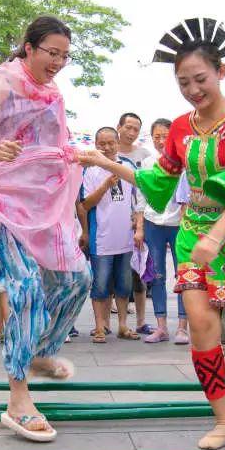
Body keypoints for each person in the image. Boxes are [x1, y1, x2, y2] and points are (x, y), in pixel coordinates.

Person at [80, 17, 225, 450]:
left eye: (200, 79)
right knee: (204, 329)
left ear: (221, 71)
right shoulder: (183, 128)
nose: (192, 90)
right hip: (193, 234)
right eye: (183, 82)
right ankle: (223, 420)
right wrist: (106, 163)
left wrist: (219, 236)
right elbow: (159, 181)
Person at [0, 15, 91, 443]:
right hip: (0, 202)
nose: (59, 62)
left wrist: (74, 154)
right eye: (52, 53)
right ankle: (18, 397)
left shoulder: (53, 95)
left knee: (78, 279)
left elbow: (52, 144)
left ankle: (40, 351)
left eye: (65, 55)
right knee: (24, 289)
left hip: (42, 204)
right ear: (28, 47)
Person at [81, 127, 143, 343]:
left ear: (117, 143)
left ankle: (123, 325)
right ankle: (100, 327)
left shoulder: (127, 167)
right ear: (96, 144)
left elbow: (138, 198)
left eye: (110, 143)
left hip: (124, 238)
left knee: (124, 285)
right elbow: (86, 203)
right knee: (100, 285)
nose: (106, 148)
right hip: (102, 239)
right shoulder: (90, 170)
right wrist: (106, 185)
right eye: (102, 144)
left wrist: (138, 223)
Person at [141, 118, 189, 344]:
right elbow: (141, 196)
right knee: (157, 275)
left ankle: (182, 327)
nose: (161, 141)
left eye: (165, 136)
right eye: (156, 136)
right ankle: (161, 327)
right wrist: (139, 227)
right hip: (153, 223)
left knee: (184, 275)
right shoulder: (148, 162)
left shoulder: (184, 160)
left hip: (180, 224)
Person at [114, 112, 154, 336]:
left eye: (136, 129)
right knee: (115, 272)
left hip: (139, 220)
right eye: (127, 127)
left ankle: (140, 321)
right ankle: (116, 322)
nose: (131, 132)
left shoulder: (145, 155)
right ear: (118, 126)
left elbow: (147, 189)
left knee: (140, 272)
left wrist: (140, 218)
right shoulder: (107, 152)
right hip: (113, 223)